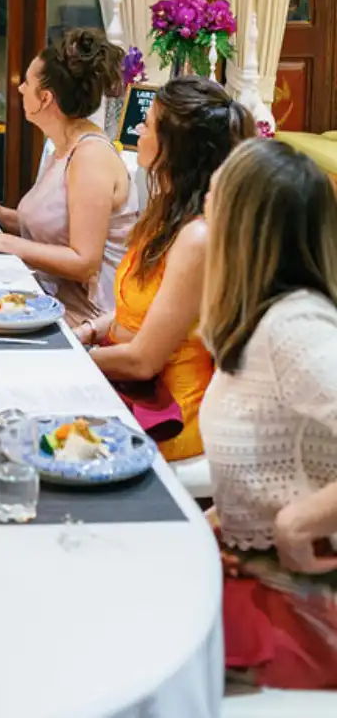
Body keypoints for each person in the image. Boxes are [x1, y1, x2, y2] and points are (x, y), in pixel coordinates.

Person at [200, 140, 337, 690]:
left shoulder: (295, 329)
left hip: (300, 613)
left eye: (217, 189)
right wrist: (227, 519)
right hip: (260, 584)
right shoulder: (260, 322)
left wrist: (295, 524)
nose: (205, 197)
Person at [80, 78, 252, 461]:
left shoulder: (197, 237)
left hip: (166, 411)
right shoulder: (166, 213)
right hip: (128, 381)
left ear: (173, 147)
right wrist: (87, 332)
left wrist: (73, 359)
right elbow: (136, 312)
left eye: (147, 124)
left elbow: (144, 361)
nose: (138, 130)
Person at [0, 28, 136, 327]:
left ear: (45, 98)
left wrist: (2, 242)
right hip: (45, 300)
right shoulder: (61, 146)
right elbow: (54, 229)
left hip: (84, 319)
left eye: (27, 83)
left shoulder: (90, 157)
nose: (20, 89)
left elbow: (84, 263)